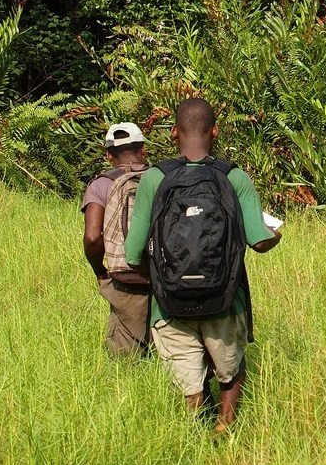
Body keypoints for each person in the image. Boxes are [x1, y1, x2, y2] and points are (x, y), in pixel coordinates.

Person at [124, 99, 281, 431]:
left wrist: (162, 281)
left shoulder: (154, 178)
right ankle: (225, 428)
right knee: (231, 371)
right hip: (225, 302)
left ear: (172, 134)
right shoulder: (234, 177)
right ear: (215, 131)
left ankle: (196, 432)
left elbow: (134, 252)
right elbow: (261, 241)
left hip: (170, 306)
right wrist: (276, 234)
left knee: (188, 385)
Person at [81, 122, 152, 357]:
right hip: (167, 276)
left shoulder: (101, 185)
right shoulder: (162, 179)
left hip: (125, 277)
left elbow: (92, 238)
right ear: (143, 149)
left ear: (109, 155)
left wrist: (100, 271)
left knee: (126, 362)